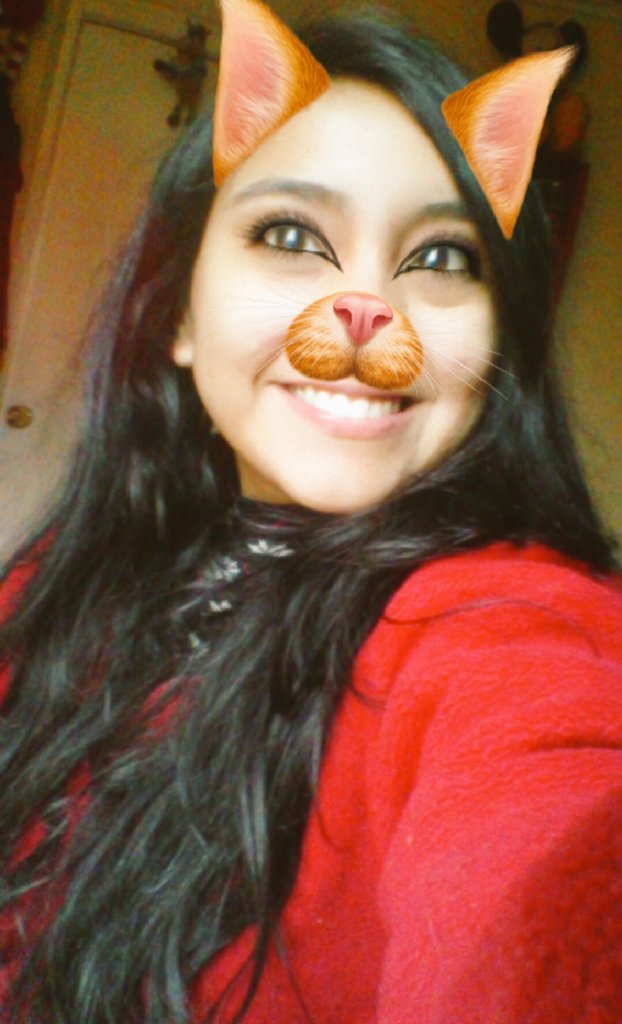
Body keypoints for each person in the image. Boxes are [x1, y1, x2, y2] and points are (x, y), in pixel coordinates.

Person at [1, 3, 622, 1022]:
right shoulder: (66, 576)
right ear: (180, 313)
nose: (366, 306)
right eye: (290, 234)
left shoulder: (512, 630)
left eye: (443, 257)